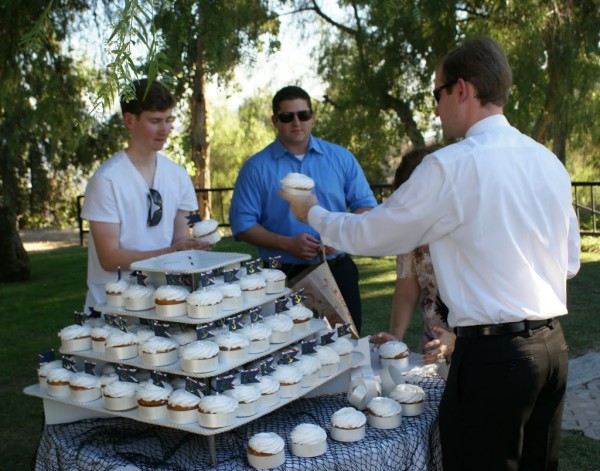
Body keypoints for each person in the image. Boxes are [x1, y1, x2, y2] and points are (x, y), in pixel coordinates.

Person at [281, 37, 580, 470]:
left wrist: (313, 212)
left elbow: (374, 233)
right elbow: (569, 263)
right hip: (553, 349)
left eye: (436, 93)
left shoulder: (451, 165)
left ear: (462, 89)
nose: (436, 107)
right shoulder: (548, 161)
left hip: (494, 359)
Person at [229, 85, 377, 333]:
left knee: (346, 343)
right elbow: (243, 226)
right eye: (287, 117)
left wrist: (340, 237)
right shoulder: (255, 168)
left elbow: (366, 207)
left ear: (313, 116)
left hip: (336, 269)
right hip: (279, 274)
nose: (296, 122)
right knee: (284, 349)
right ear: (275, 120)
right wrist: (288, 244)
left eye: (303, 115)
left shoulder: (341, 158)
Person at [82, 79, 211, 311]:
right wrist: (168, 254)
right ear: (130, 120)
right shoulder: (106, 180)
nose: (165, 129)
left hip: (164, 301)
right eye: (155, 121)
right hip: (111, 307)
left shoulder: (178, 175)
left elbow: (180, 237)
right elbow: (109, 258)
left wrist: (192, 244)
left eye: (169, 120)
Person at [371, 145, 454, 362]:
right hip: (433, 345)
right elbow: (406, 293)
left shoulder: (469, 230)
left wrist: (457, 339)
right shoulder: (410, 233)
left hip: (477, 346)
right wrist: (396, 337)